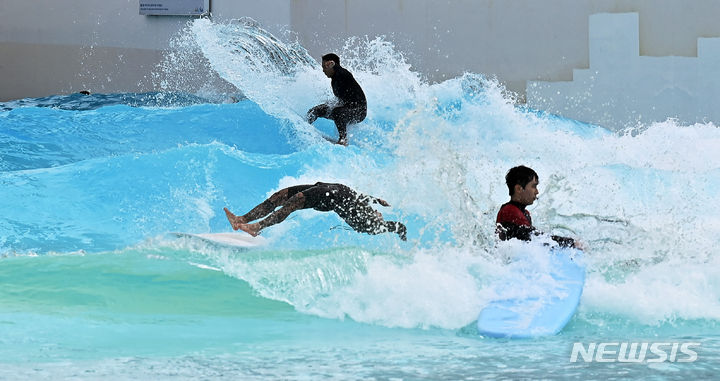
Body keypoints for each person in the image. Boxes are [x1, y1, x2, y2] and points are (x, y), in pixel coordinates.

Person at [224, 182, 406, 241]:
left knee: (289, 200)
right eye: (377, 213)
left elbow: (358, 199)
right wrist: (377, 200)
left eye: (378, 215)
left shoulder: (363, 224)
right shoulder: (365, 218)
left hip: (330, 195)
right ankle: (242, 219)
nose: (378, 213)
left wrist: (377, 204)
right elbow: (359, 197)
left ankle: (256, 227)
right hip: (331, 191)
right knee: (282, 196)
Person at [496, 166, 583, 249]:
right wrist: (570, 243)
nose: (537, 192)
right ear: (519, 189)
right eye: (533, 186)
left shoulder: (525, 213)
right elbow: (534, 237)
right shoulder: (509, 211)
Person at [306, 53, 367, 146]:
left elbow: (339, 70)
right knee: (315, 110)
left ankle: (343, 140)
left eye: (324, 67)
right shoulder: (334, 80)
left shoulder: (343, 73)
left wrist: (334, 65)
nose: (323, 70)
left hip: (359, 111)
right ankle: (304, 128)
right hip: (347, 108)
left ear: (331, 64)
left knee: (337, 112)